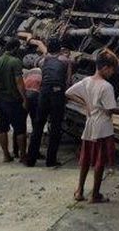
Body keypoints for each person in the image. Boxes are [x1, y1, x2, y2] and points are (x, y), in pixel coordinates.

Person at [66, 49, 119, 203]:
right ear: (105, 68)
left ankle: (79, 190)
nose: (112, 73)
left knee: (85, 159)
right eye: (112, 69)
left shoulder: (87, 81)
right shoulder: (106, 87)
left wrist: (86, 104)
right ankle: (95, 194)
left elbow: (69, 92)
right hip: (103, 127)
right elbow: (111, 109)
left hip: (90, 123)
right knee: (100, 160)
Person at [26, 36, 71, 167]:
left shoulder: (42, 60)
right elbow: (68, 82)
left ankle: (31, 160)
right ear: (60, 49)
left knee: (38, 126)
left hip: (44, 93)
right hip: (57, 94)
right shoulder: (66, 61)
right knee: (56, 127)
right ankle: (51, 160)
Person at [0, 38, 28, 163]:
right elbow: (19, 82)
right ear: (15, 48)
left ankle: (6, 155)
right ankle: (22, 156)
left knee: (2, 127)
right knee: (20, 129)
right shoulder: (15, 62)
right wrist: (24, 98)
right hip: (14, 100)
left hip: (1, 99)